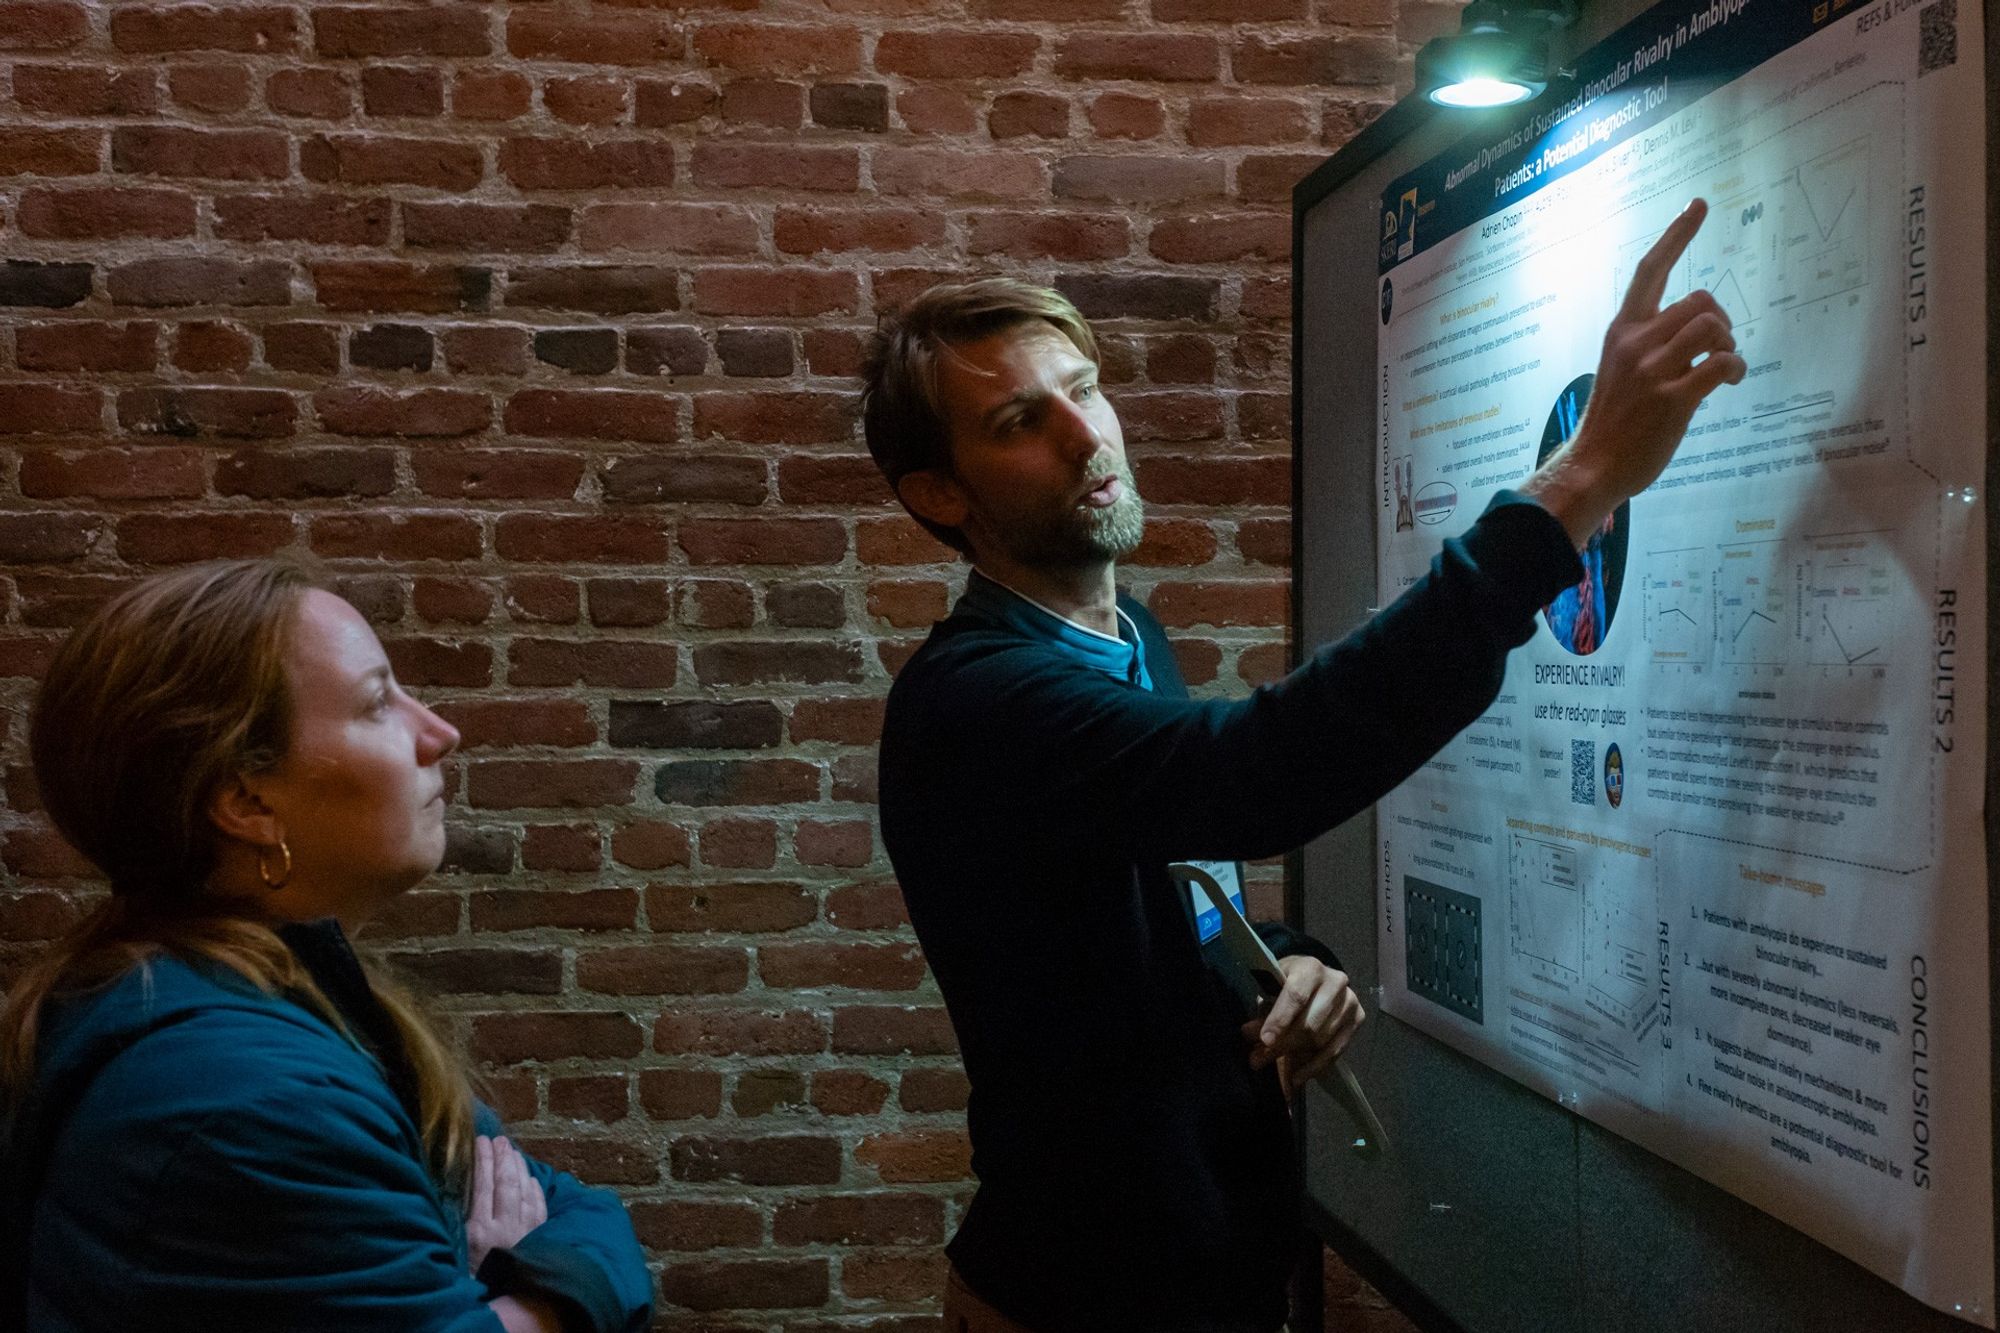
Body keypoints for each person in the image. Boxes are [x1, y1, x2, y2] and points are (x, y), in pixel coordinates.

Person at [862, 201, 1743, 1332]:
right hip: (1080, 1298)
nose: (1086, 436)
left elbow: (1154, 921)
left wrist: (1285, 961)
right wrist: (1575, 487)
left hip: (1202, 1277)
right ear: (938, 495)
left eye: (1083, 387)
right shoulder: (977, 698)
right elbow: (1252, 770)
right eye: (1019, 421)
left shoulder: (1126, 639)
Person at [0, 561, 654, 1332]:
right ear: (245, 799)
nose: (440, 732)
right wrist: (545, 1300)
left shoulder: (266, 999)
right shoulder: (250, 1099)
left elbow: (566, 1201)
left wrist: (507, 1277)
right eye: (378, 702)